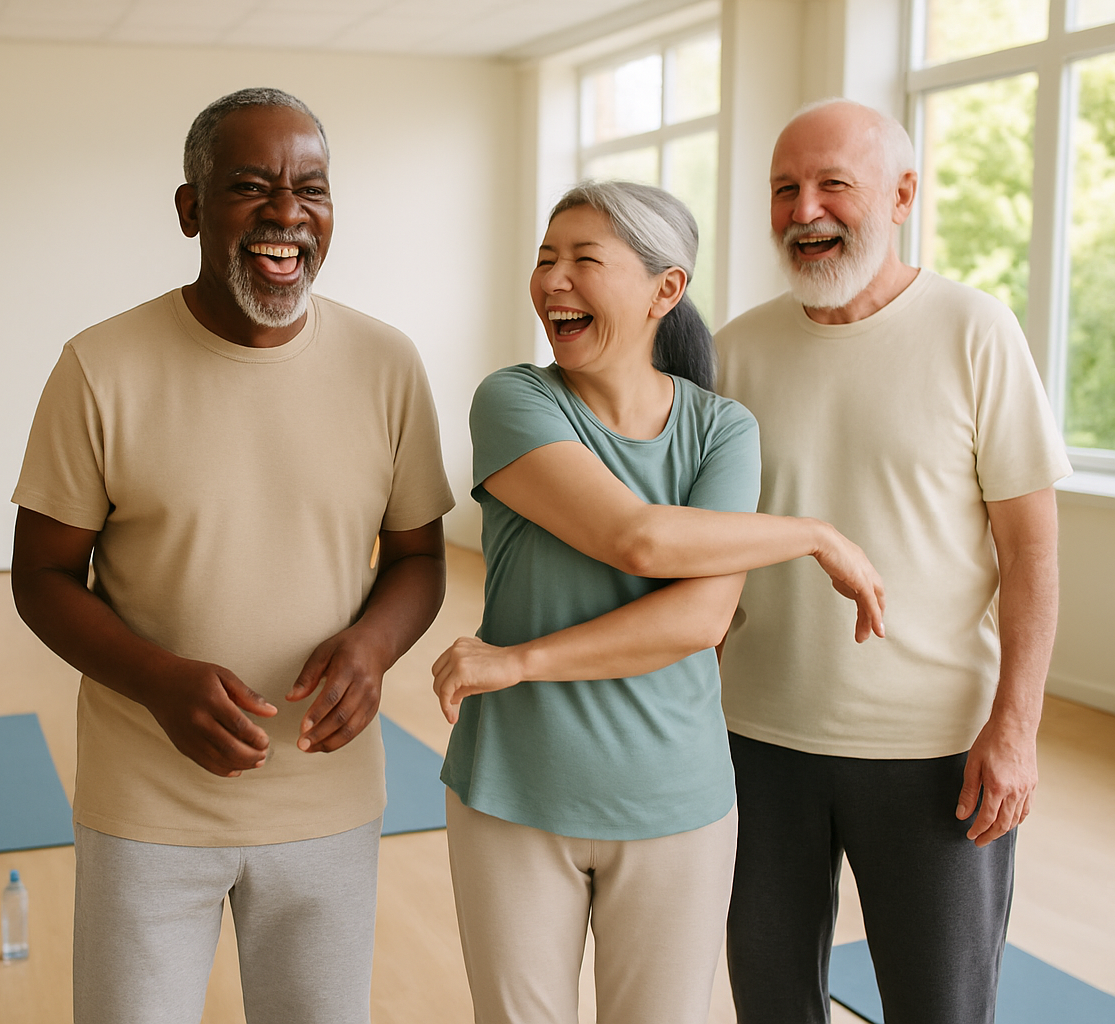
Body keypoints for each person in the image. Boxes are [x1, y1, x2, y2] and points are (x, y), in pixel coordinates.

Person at [10, 87, 454, 1024]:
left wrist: (372, 647)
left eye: (311, 189)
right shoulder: (99, 366)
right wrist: (161, 681)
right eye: (251, 187)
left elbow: (419, 557)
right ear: (189, 210)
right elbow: (42, 577)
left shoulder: (388, 364)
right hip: (147, 814)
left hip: (330, 805)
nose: (287, 213)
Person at [430, 179, 886, 1024]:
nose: (552, 280)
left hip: (675, 804)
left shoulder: (722, 429)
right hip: (514, 791)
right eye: (545, 260)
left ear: (664, 289)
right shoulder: (515, 400)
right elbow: (636, 539)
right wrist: (813, 534)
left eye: (583, 260)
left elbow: (696, 620)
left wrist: (519, 660)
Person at [716, 98, 1071, 1024]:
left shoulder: (977, 332)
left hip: (935, 754)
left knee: (941, 1009)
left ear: (903, 194)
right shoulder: (734, 351)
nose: (806, 210)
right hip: (756, 741)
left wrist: (1016, 728)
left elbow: (1030, 555)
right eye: (785, 189)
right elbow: (703, 545)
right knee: (769, 1004)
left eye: (834, 184)